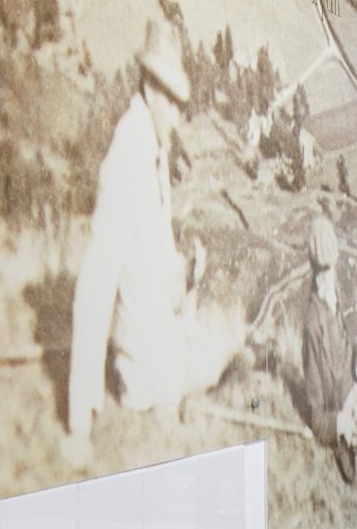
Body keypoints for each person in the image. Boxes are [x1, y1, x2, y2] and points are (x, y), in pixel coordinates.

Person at [65, 22, 244, 445]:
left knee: (230, 351)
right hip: (144, 359)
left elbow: (152, 256)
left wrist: (188, 274)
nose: (178, 116)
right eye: (172, 102)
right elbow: (94, 286)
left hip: (161, 328)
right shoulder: (127, 155)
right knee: (227, 358)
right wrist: (80, 420)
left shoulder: (153, 148)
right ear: (149, 88)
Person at [266, 213, 357, 479]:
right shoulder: (313, 327)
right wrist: (339, 424)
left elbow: (340, 351)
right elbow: (317, 416)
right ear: (317, 275)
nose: (330, 278)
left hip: (353, 377)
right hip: (350, 412)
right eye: (325, 273)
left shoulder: (332, 300)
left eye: (331, 270)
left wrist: (356, 353)